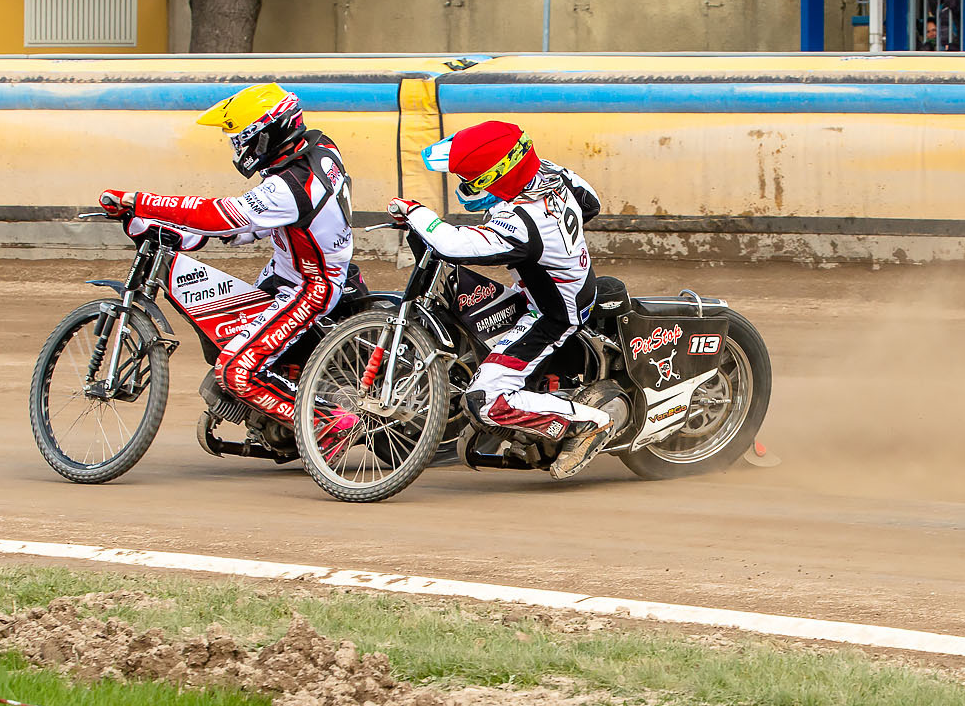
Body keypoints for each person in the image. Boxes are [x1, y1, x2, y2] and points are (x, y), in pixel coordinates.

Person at [100, 82, 356, 450]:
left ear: (268, 134)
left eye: (240, 138)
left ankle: (331, 424)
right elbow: (248, 223)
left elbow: (221, 215)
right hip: (293, 268)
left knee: (236, 370)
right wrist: (191, 232)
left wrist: (140, 201)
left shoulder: (292, 185)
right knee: (237, 326)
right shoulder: (316, 147)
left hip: (310, 286)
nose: (237, 148)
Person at [388, 119, 623, 480]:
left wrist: (415, 211)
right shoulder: (547, 172)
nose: (465, 185)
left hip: (553, 313)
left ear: (497, 175)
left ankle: (592, 422)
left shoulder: (522, 219)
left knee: (483, 400)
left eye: (471, 178)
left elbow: (453, 245)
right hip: (564, 285)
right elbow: (590, 203)